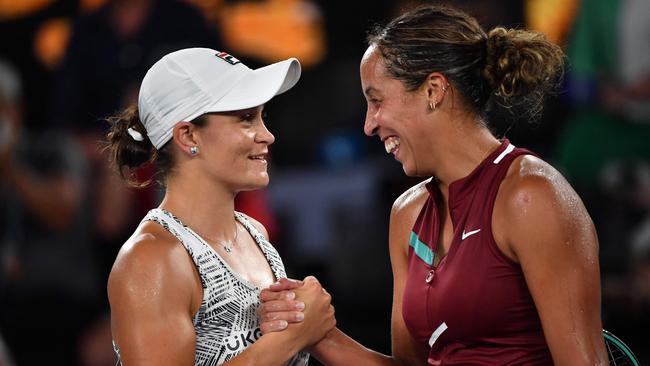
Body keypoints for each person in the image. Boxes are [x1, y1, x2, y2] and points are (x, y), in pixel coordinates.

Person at [258, 4, 608, 365]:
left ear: (434, 90)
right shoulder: (407, 213)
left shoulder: (531, 196)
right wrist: (317, 333)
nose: (369, 125)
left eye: (376, 101)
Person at [105, 47, 335, 365]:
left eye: (261, 117)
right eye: (245, 119)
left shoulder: (256, 234)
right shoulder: (150, 260)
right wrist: (292, 337)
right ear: (187, 136)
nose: (267, 135)